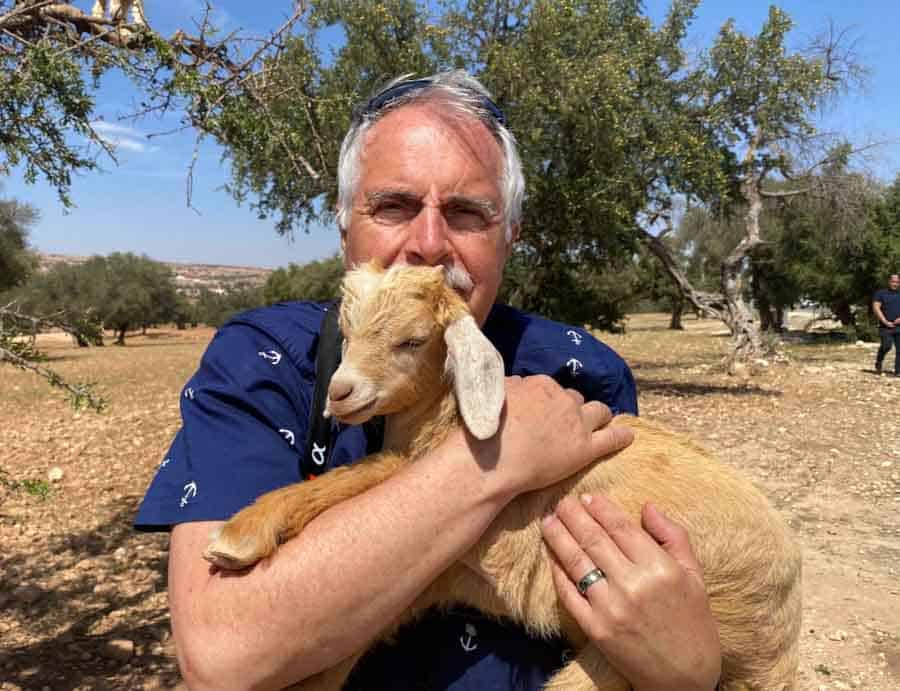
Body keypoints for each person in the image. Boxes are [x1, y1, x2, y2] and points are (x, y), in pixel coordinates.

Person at [135, 71, 721, 690]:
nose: (429, 244)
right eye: (393, 206)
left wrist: (688, 673)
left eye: (468, 213)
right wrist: (490, 461)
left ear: (509, 237)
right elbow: (224, 657)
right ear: (343, 224)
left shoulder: (580, 372)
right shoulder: (263, 360)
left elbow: (629, 597)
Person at [873, 273, 900, 376]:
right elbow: (876, 308)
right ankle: (879, 362)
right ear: (889, 282)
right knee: (886, 346)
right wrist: (885, 321)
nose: (895, 284)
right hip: (885, 326)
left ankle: (898, 371)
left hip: (899, 326)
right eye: (893, 281)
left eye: (897, 282)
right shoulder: (881, 293)